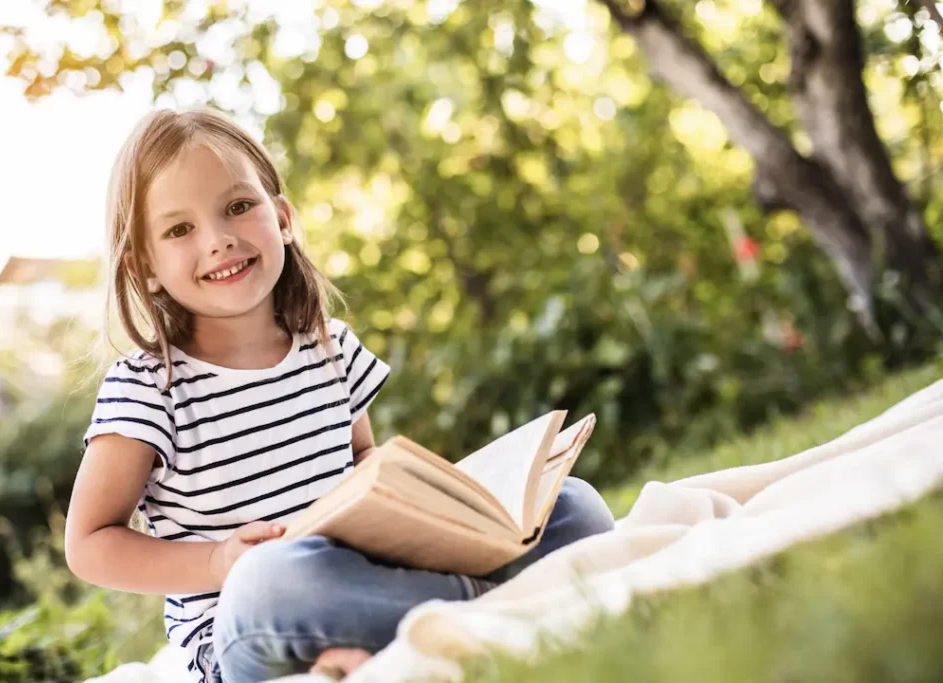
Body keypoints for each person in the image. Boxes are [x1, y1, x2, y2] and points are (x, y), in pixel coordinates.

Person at [66, 107, 615, 683]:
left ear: (281, 218)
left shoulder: (327, 346)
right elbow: (89, 543)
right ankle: (481, 605)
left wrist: (435, 512)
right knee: (272, 579)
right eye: (180, 230)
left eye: (237, 207)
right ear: (144, 265)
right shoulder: (148, 388)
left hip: (365, 581)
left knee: (575, 505)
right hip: (254, 623)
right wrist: (217, 561)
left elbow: (362, 463)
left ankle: (413, 626)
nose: (219, 239)